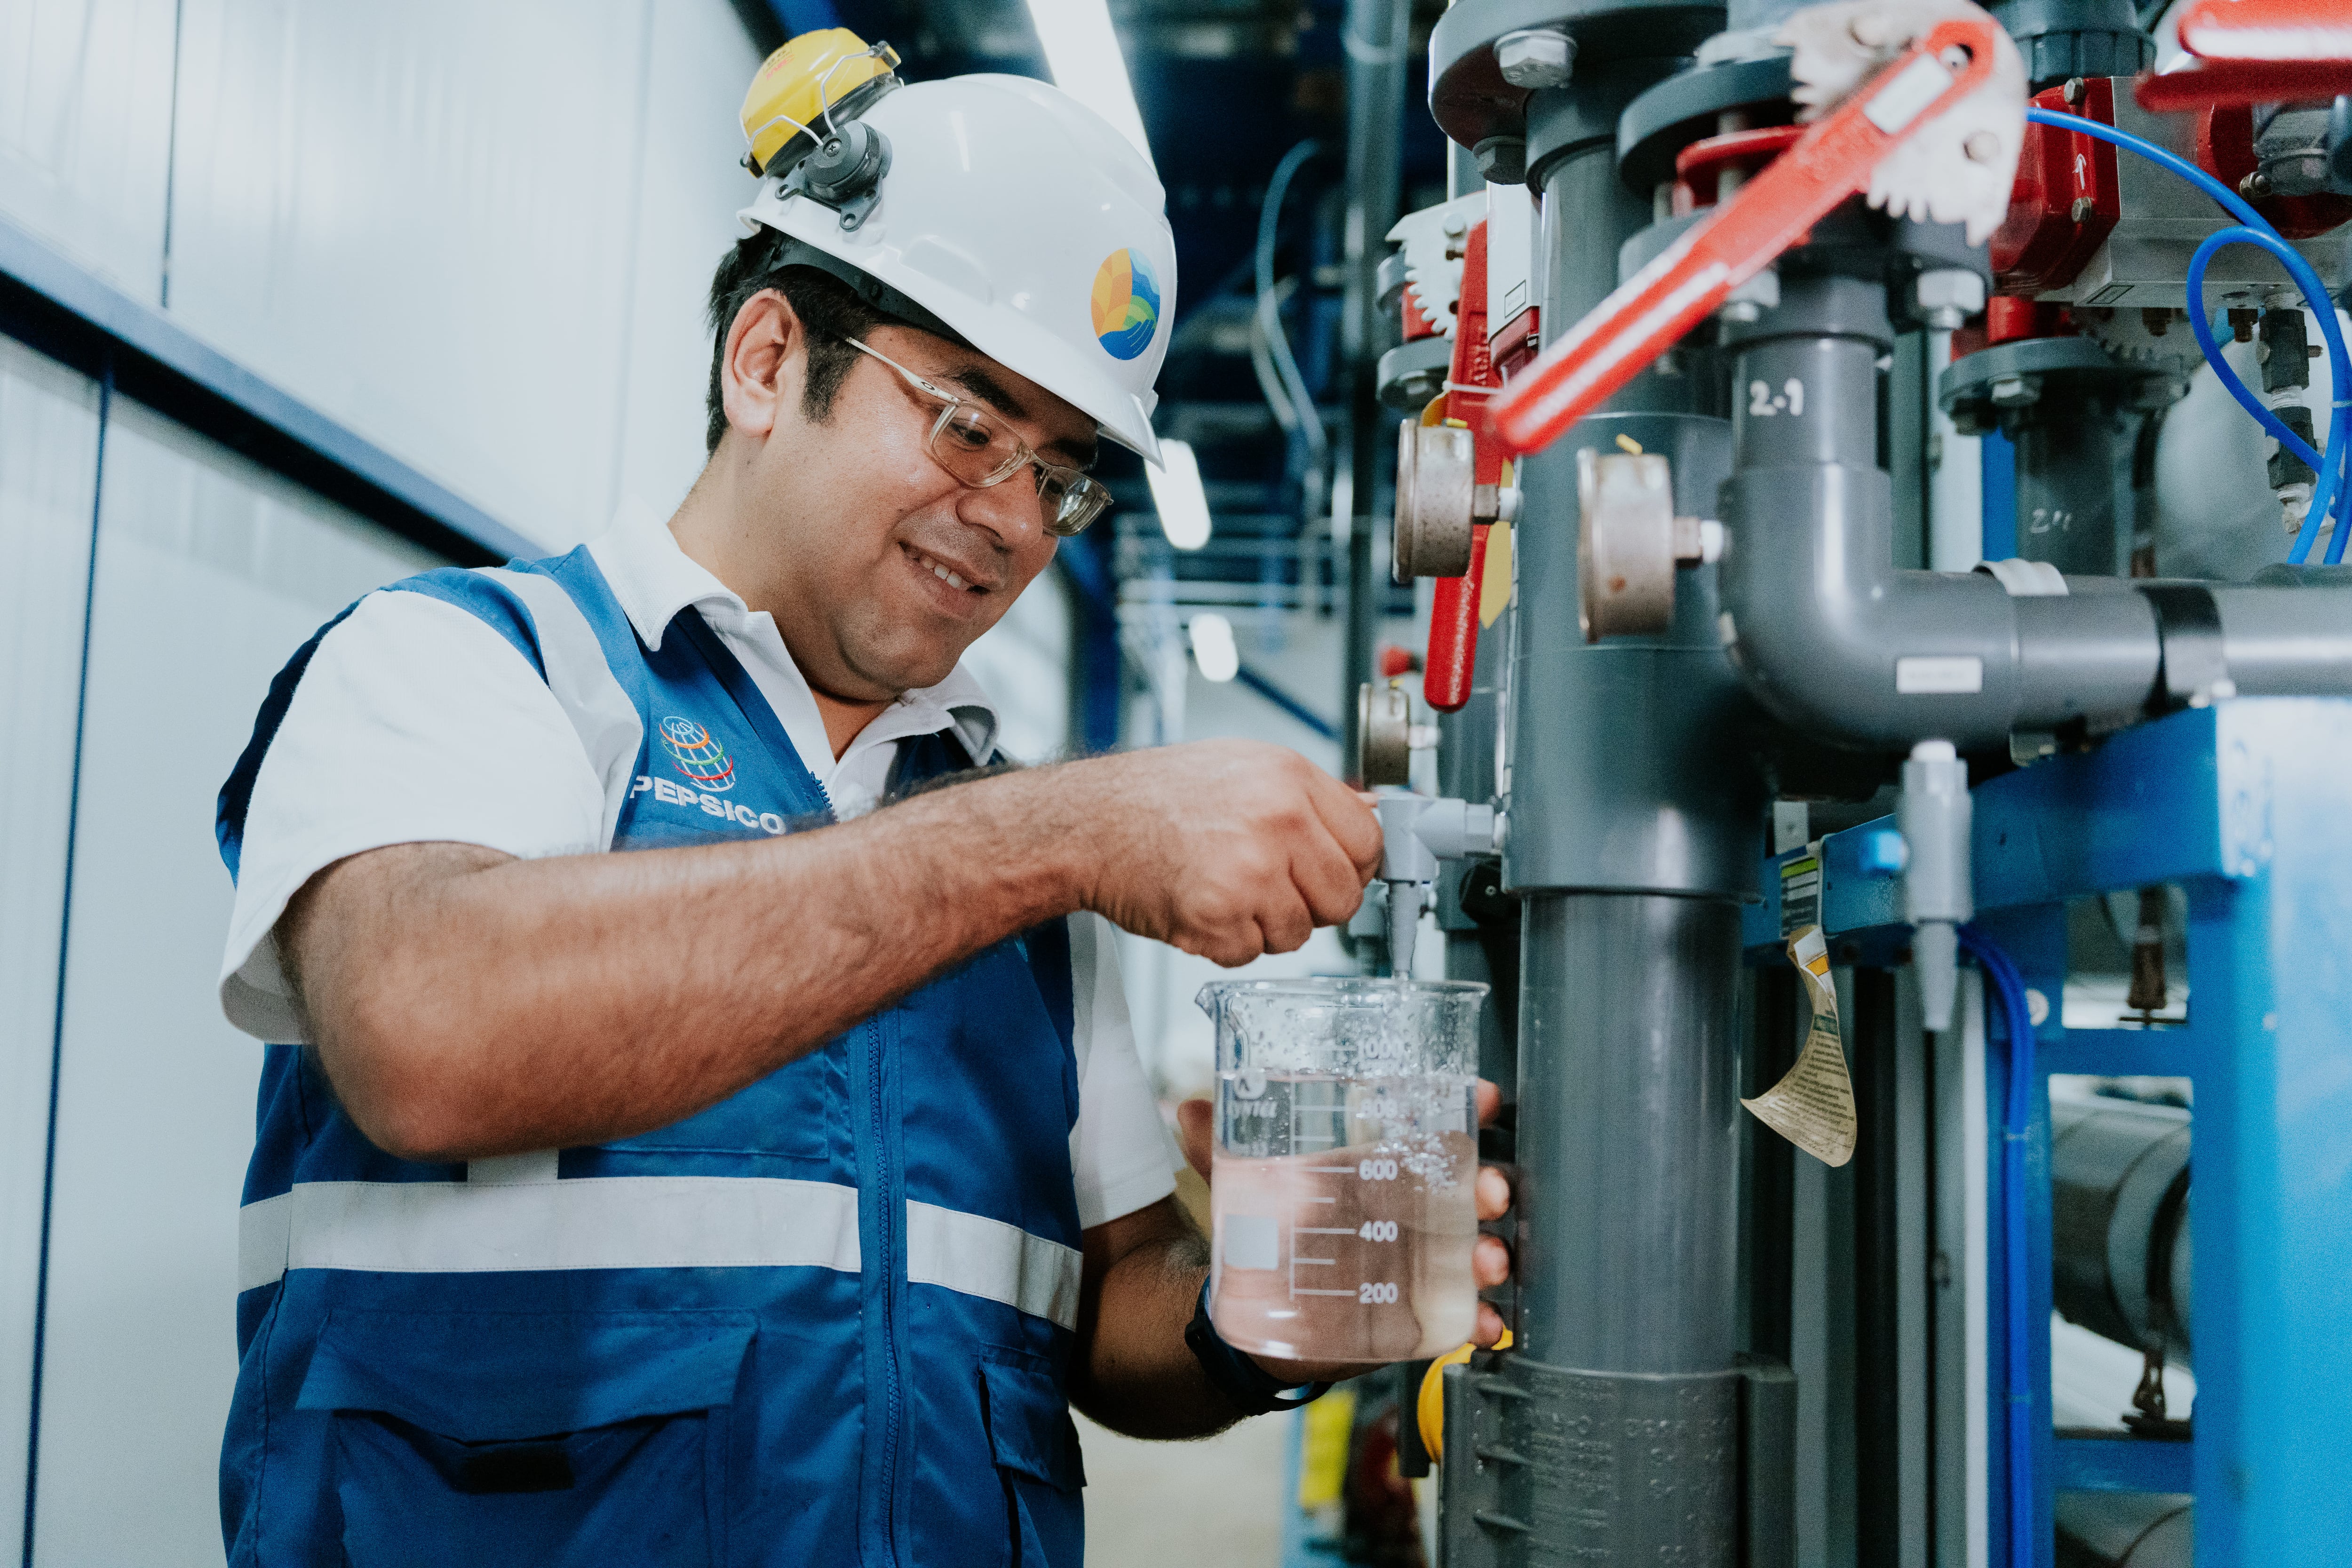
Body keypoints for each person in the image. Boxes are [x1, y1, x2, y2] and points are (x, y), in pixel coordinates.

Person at [211, 56, 1510, 1567]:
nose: (1019, 520)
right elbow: (425, 1030)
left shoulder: (1006, 865)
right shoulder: (476, 669)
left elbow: (1106, 1304)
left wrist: (1284, 1301)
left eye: (1065, 476)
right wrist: (1064, 837)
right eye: (970, 423)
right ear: (768, 361)